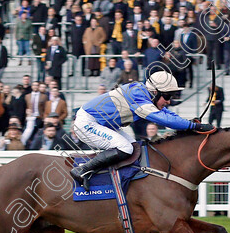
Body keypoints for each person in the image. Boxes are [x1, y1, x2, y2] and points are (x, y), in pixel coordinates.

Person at [69, 71, 210, 190]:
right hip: (87, 123)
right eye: (167, 96)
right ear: (155, 92)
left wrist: (188, 123)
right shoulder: (138, 97)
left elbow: (167, 113)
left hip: (102, 124)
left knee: (135, 148)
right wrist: (194, 127)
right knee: (125, 148)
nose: (168, 101)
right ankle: (83, 170)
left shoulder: (144, 93)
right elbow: (164, 120)